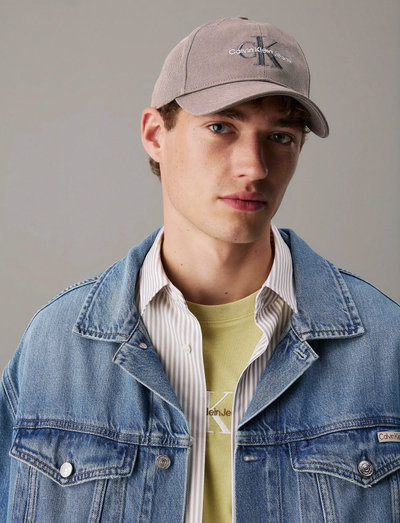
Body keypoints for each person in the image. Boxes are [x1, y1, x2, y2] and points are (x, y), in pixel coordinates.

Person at [1, 16, 399, 523]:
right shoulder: (56, 348)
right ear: (155, 135)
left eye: (280, 136)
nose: (254, 167)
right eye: (220, 127)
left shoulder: (385, 346)